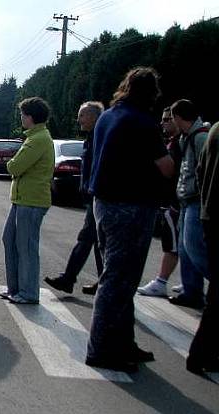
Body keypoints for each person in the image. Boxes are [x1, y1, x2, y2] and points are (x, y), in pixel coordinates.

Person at [86, 67, 175, 373]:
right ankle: (101, 349)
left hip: (104, 203)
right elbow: (165, 167)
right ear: (151, 93)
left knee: (120, 278)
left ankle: (123, 343)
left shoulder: (109, 116)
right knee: (118, 280)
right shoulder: (142, 122)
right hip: (131, 206)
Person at [44, 101, 104, 295]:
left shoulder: (100, 137)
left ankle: (70, 279)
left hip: (99, 197)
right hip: (93, 196)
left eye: (82, 115)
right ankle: (98, 280)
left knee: (89, 240)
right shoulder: (92, 137)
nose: (79, 119)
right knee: (94, 241)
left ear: (94, 117)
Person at [0, 97, 55, 304]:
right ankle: (15, 288)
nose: (21, 118)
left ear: (31, 116)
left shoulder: (38, 138)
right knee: (9, 240)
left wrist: (13, 163)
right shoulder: (35, 137)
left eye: (23, 114)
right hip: (22, 199)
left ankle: (28, 292)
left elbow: (14, 167)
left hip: (32, 201)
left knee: (26, 247)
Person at [168, 99, 211, 309]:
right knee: (185, 248)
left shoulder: (201, 137)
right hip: (186, 200)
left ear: (178, 117)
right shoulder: (186, 137)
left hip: (196, 200)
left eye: (171, 118)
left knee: (194, 247)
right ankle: (192, 292)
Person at [136, 106, 183, 297]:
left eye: (167, 119)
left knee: (172, 244)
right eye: (162, 119)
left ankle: (162, 281)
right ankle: (188, 281)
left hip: (174, 199)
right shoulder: (173, 142)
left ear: (177, 119)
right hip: (167, 199)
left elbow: (172, 171)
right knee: (176, 244)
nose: (163, 123)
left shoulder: (180, 143)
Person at [187, 121, 219, 377]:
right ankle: (203, 353)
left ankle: (202, 352)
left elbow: (199, 170)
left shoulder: (214, 131)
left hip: (209, 213)